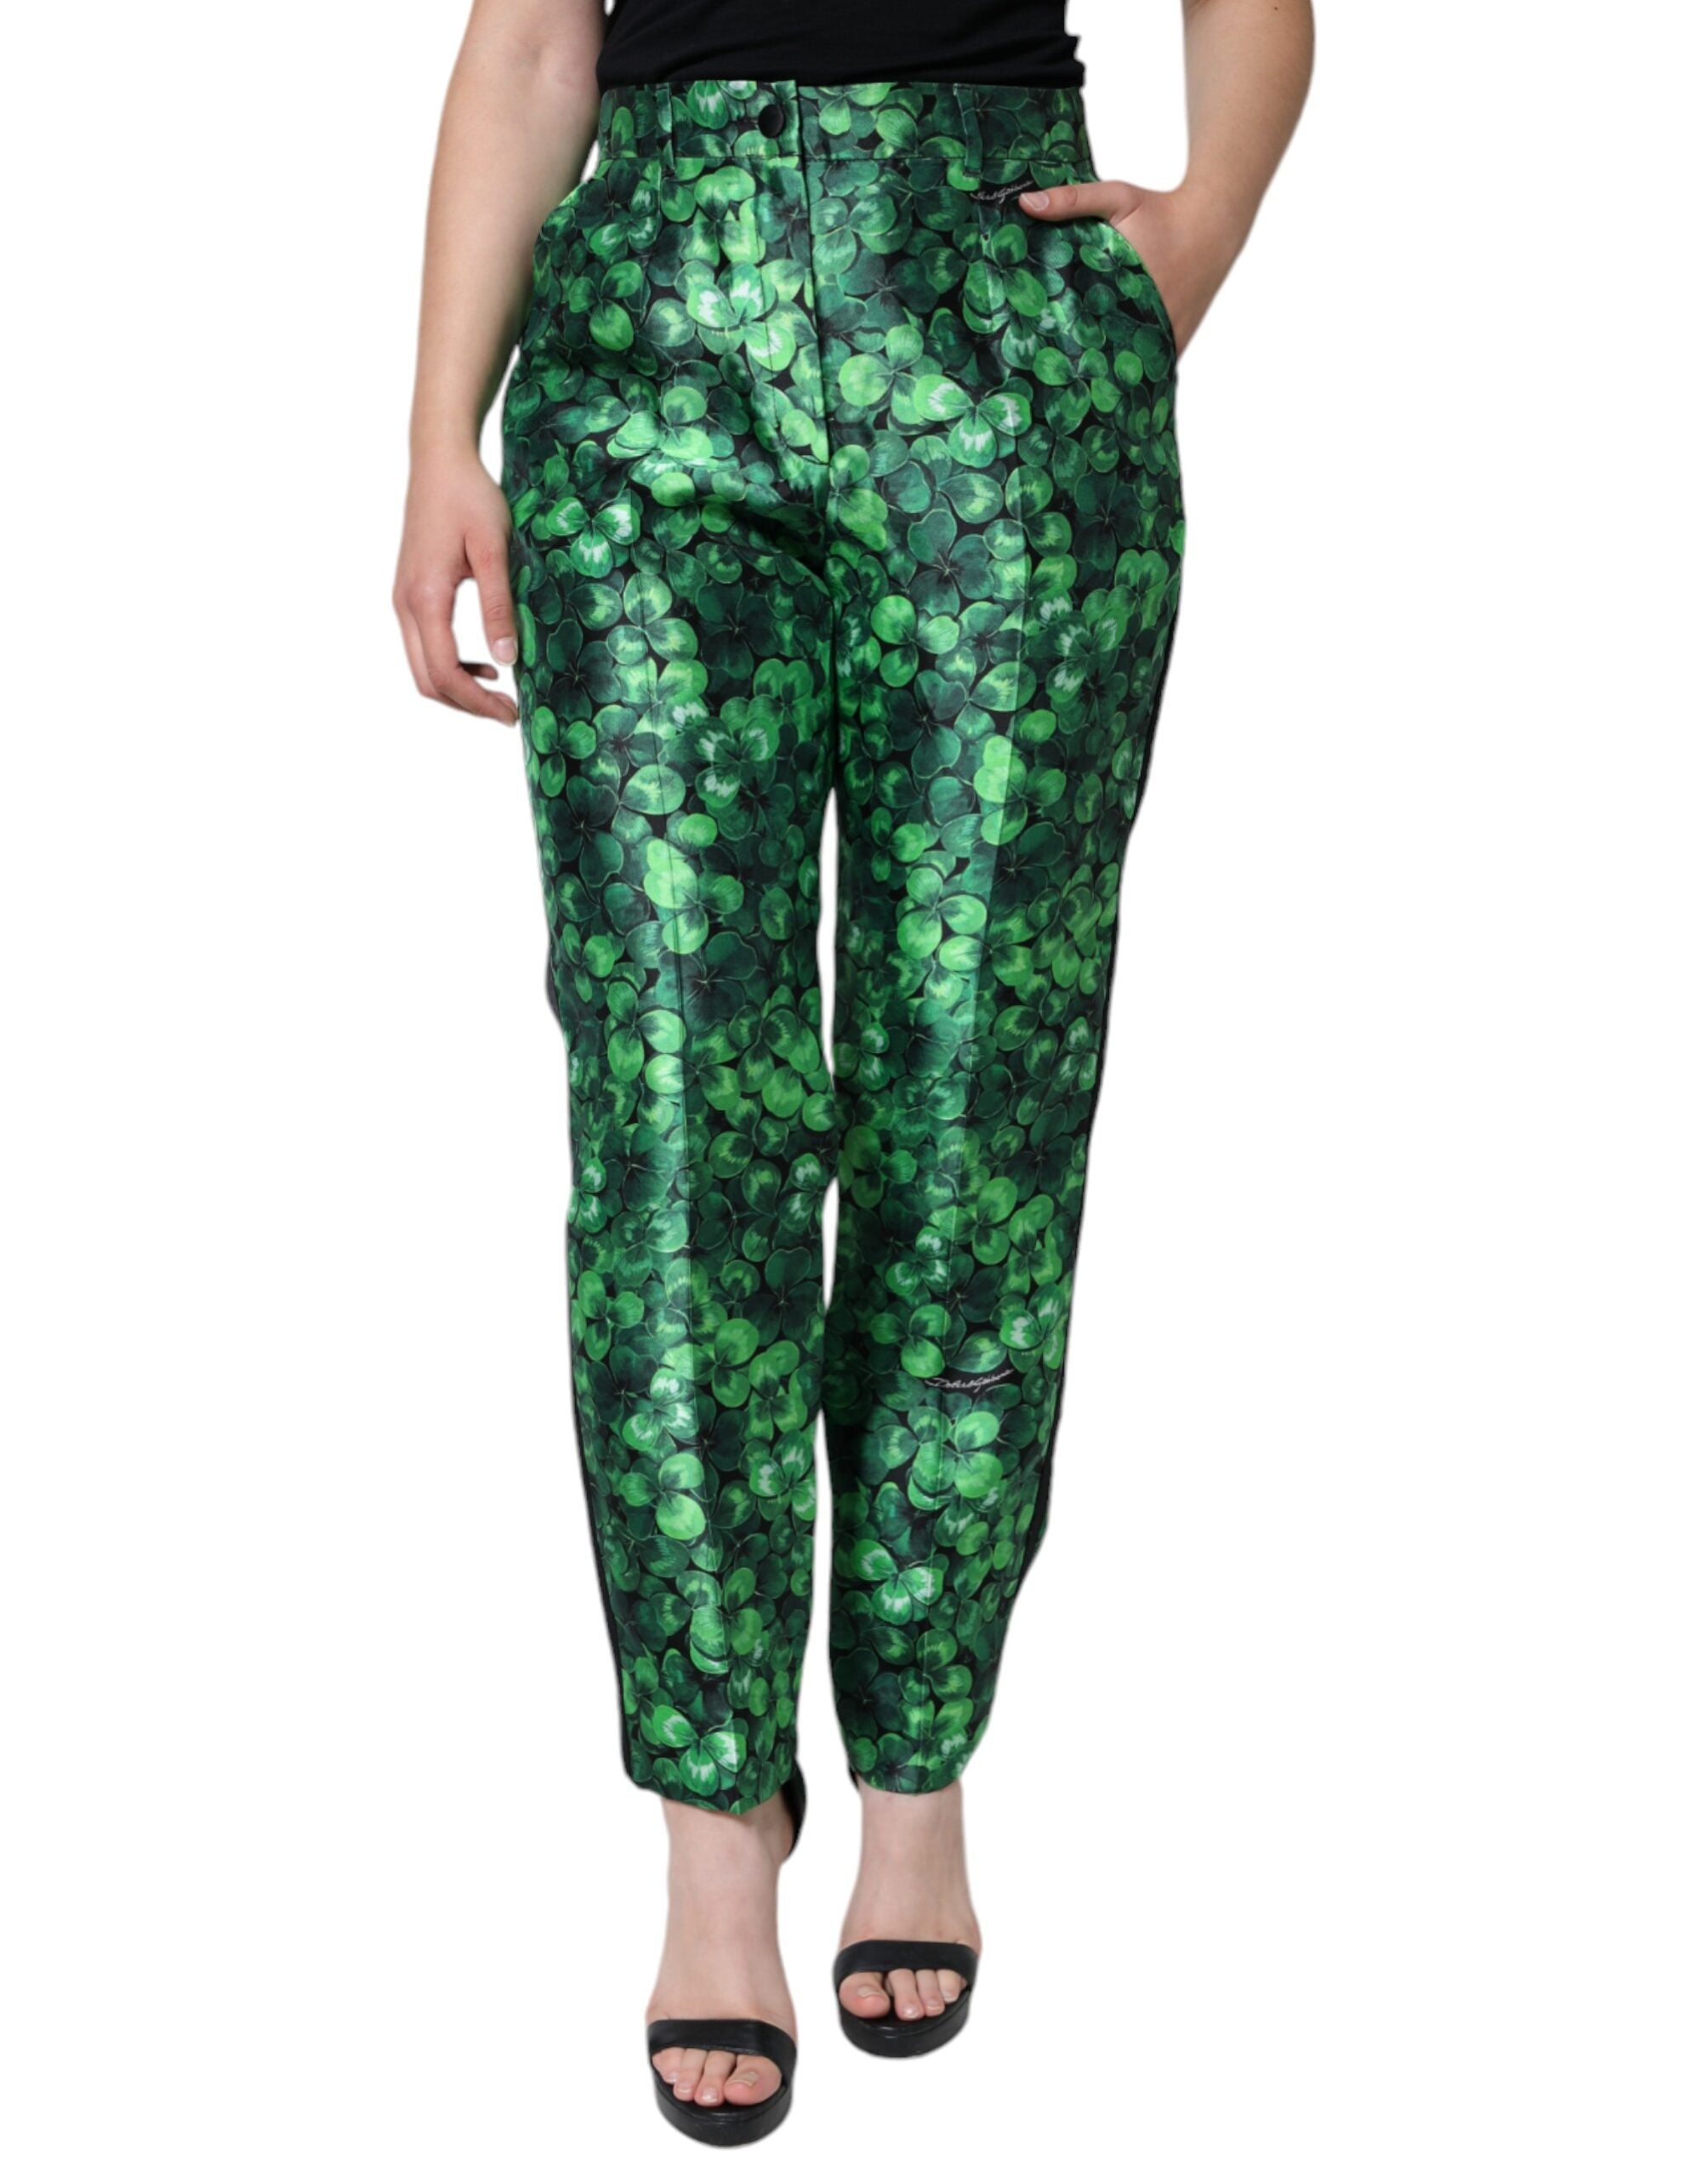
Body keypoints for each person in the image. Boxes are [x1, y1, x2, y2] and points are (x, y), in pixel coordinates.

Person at [396, 0, 1312, 2143]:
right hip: (648, 366)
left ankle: (916, 1768)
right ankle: (715, 1822)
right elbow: (527, 44)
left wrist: (1193, 232)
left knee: (975, 1088)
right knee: (670, 1118)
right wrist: (440, 433)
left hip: (998, 331)